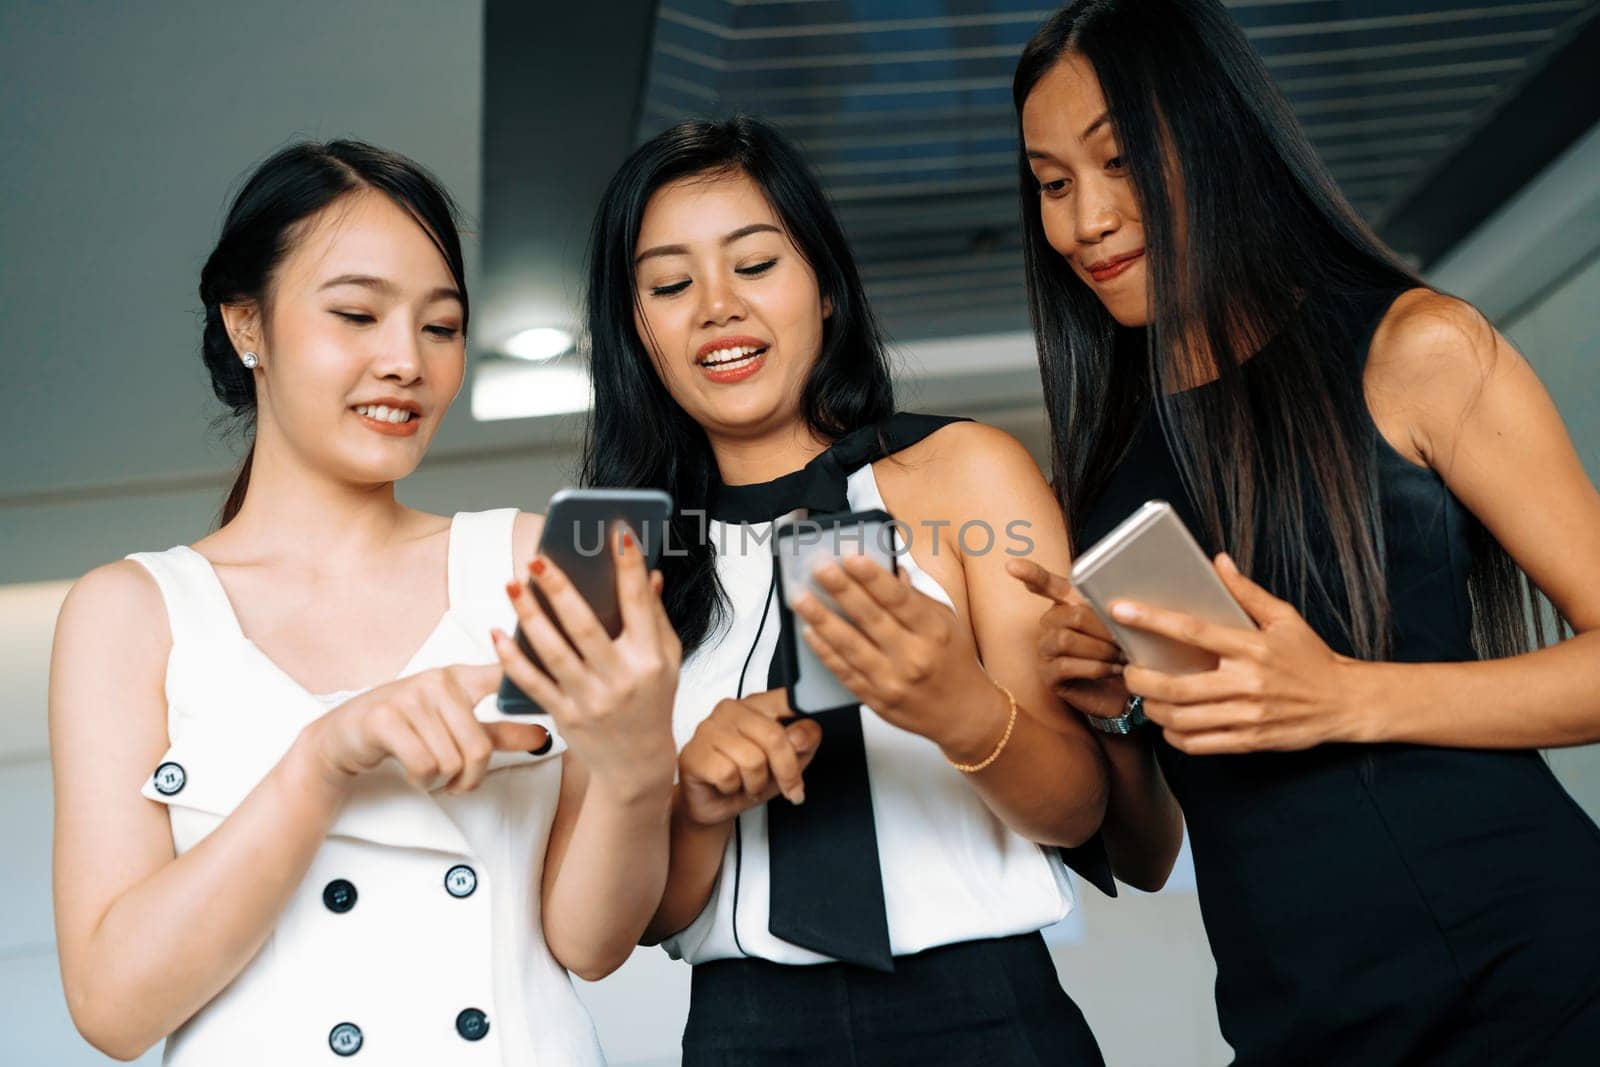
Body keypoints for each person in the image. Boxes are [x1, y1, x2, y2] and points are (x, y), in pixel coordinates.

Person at [1007, 2, 1600, 1063]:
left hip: (1530, 978)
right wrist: (1112, 707)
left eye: (1122, 160)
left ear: (1215, 134)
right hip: (1297, 1017)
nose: (1086, 218)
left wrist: (1345, 694)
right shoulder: (1101, 478)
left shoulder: (1416, 346)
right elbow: (1147, 852)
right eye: (1053, 183)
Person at [49, 140, 681, 1065]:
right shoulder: (130, 612)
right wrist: (323, 760)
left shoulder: (536, 556)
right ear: (246, 326)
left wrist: (635, 767)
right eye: (356, 313)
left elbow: (588, 944)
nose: (406, 361)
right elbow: (114, 1007)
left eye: (441, 326)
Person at [581, 115, 1111, 1065]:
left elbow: (1080, 809)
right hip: (743, 1031)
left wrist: (960, 708)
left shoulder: (968, 474)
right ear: (637, 329)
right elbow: (604, 932)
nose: (715, 307)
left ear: (823, 286)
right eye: (669, 284)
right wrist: (694, 805)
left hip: (988, 1015)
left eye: (755, 264)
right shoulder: (603, 546)